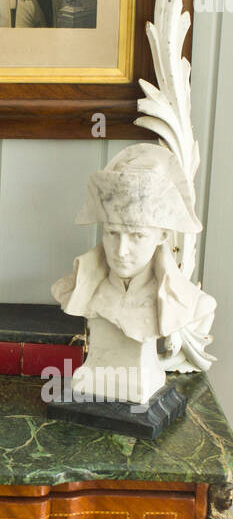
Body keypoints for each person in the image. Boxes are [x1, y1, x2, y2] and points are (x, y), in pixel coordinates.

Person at [52, 144, 215, 404]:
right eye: (112, 233)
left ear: (161, 235)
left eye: (137, 236)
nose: (121, 250)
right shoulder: (76, 286)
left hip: (141, 383)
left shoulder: (192, 304)